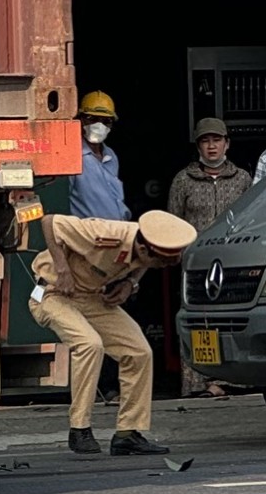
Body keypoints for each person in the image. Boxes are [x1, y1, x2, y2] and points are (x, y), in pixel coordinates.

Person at [26, 207, 194, 455]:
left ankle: (128, 433)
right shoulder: (105, 234)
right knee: (89, 344)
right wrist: (61, 268)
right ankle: (79, 428)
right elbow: (50, 222)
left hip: (92, 298)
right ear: (145, 250)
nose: (160, 267)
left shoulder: (145, 248)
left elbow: (143, 263)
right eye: (159, 262)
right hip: (53, 293)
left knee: (139, 352)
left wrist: (130, 283)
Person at [172, 118, 252, 395]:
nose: (212, 147)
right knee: (197, 323)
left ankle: (232, 380)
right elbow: (172, 223)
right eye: (205, 141)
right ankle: (198, 384)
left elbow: (251, 221)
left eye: (216, 140)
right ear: (198, 147)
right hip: (195, 264)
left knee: (231, 320)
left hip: (232, 263)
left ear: (226, 143)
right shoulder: (184, 180)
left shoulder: (242, 179)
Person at [67, 90, 130, 221]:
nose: (98, 125)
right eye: (92, 119)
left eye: (106, 121)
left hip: (117, 230)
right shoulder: (72, 156)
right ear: (81, 119)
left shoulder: (111, 156)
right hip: (90, 235)